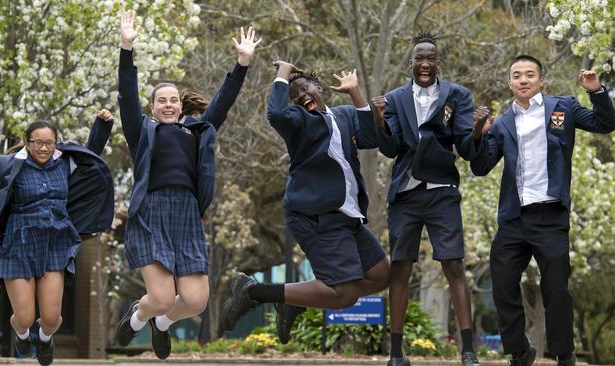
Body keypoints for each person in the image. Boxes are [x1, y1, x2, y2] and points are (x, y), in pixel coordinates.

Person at [114, 11, 261, 360]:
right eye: (161, 100)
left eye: (173, 100)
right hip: (151, 211)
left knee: (195, 301)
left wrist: (242, 63)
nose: (168, 104)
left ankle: (161, 324)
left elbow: (222, 103)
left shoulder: (197, 131)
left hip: (187, 214)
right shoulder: (142, 131)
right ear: (153, 108)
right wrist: (126, 48)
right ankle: (138, 316)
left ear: (181, 107)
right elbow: (126, 96)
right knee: (162, 297)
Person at [219, 60, 390, 345]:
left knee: (381, 275)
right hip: (315, 216)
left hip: (347, 217)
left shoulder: (344, 116)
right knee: (345, 295)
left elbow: (372, 138)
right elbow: (275, 113)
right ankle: (253, 292)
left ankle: (293, 300)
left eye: (305, 89)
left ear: (319, 88)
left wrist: (355, 92)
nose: (300, 96)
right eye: (295, 95)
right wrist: (283, 74)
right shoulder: (299, 122)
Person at [471, 54, 615, 366]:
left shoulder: (563, 107)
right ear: (510, 83)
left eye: (530, 75)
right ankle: (520, 351)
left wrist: (596, 91)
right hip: (513, 217)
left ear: (541, 80)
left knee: (556, 289)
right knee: (503, 282)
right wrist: (478, 136)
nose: (523, 80)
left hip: (550, 215)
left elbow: (605, 123)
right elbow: (481, 167)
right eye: (517, 75)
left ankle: (564, 353)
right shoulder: (503, 123)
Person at [362, 32, 489, 366]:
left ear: (438, 62)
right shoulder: (394, 98)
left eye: (431, 58)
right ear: (411, 62)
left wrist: (476, 130)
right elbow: (389, 149)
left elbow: (464, 147)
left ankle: (468, 352)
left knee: (454, 266)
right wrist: (378, 119)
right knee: (400, 268)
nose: (425, 64)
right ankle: (396, 354)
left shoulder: (457, 96)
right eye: (420, 58)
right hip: (405, 194)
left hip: (441, 192)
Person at [0, 110, 114, 366]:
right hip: (18, 243)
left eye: (49, 143)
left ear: (55, 143)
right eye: (38, 143)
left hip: (54, 244)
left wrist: (102, 125)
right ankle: (20, 331)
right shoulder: (10, 165)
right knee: (24, 317)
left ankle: (45, 338)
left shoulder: (65, 162)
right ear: (28, 143)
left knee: (52, 318)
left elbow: (91, 155)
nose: (44, 148)